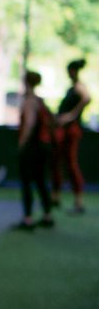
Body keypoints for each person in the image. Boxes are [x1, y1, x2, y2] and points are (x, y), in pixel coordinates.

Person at [14, 71, 55, 230]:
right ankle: (47, 215)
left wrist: (22, 143)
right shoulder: (40, 101)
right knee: (40, 181)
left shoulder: (30, 101)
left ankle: (28, 219)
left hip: (32, 147)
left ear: (26, 82)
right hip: (43, 146)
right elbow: (53, 122)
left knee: (27, 182)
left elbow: (29, 124)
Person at [51, 58, 91, 214]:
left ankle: (78, 201)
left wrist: (70, 116)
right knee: (57, 161)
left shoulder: (80, 87)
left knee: (71, 163)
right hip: (63, 130)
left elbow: (87, 99)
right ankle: (56, 196)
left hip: (71, 130)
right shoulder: (72, 88)